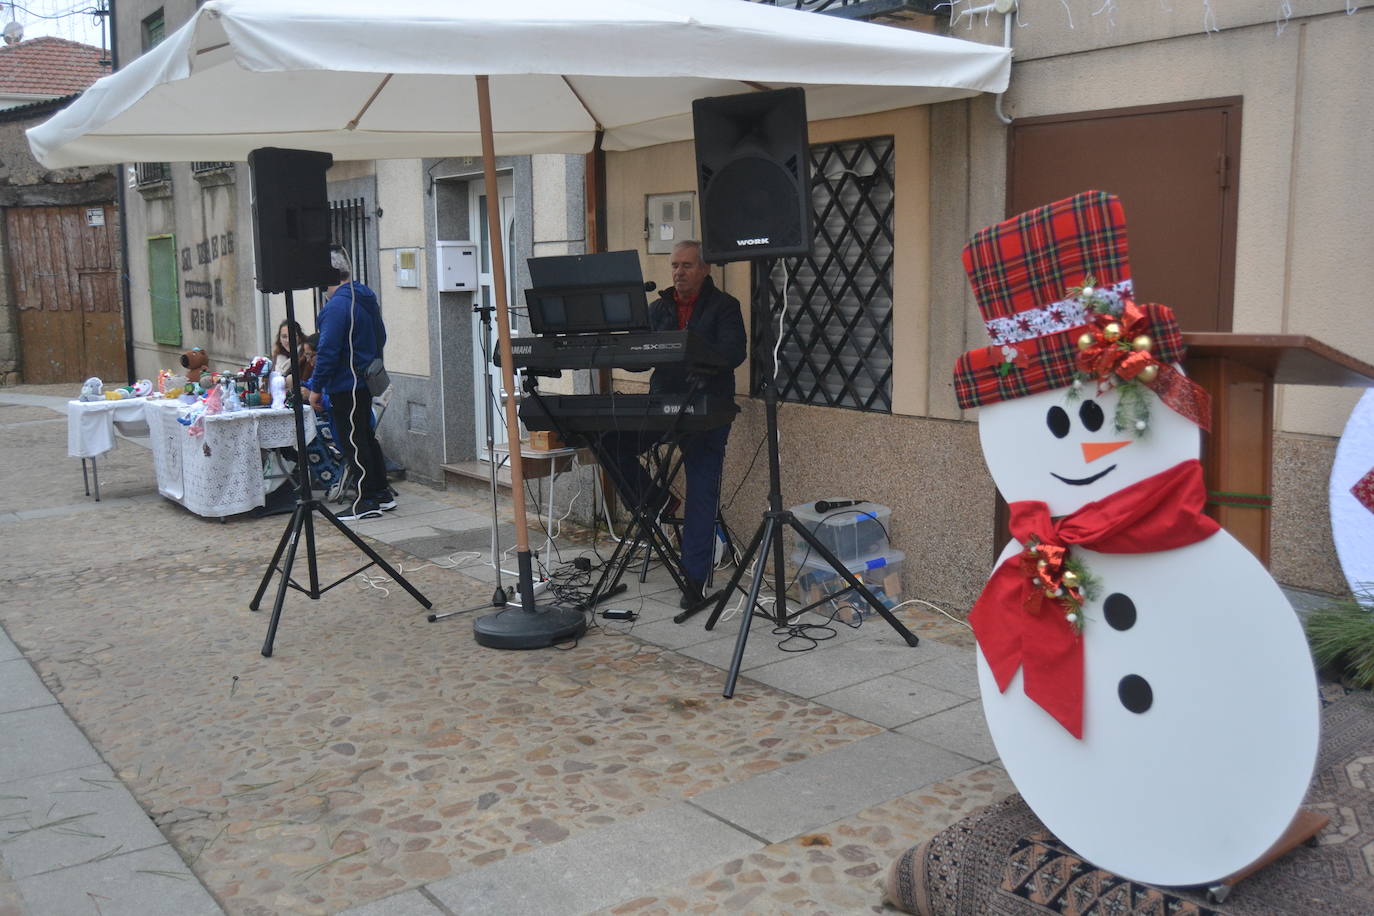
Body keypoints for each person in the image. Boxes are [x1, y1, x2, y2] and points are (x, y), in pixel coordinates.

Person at [607, 240, 746, 608]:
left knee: (702, 489)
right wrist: (619, 343)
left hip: (707, 410)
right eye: (674, 266)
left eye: (687, 265)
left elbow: (734, 352)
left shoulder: (725, 306)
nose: (679, 272)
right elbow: (638, 360)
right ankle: (658, 500)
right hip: (662, 406)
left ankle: (694, 580)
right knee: (610, 443)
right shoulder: (659, 308)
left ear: (705, 269)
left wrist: (695, 353)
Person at [306, 264, 395, 520]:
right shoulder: (364, 297)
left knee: (354, 442)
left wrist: (316, 387)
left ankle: (367, 500)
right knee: (365, 437)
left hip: (346, 383)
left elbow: (327, 351)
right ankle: (381, 493)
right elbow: (381, 337)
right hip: (363, 380)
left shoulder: (336, 307)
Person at [272, 319, 306, 386]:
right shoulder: (277, 357)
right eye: (284, 337)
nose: (288, 340)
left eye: (292, 336)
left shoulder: (306, 356)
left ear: (299, 337)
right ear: (279, 340)